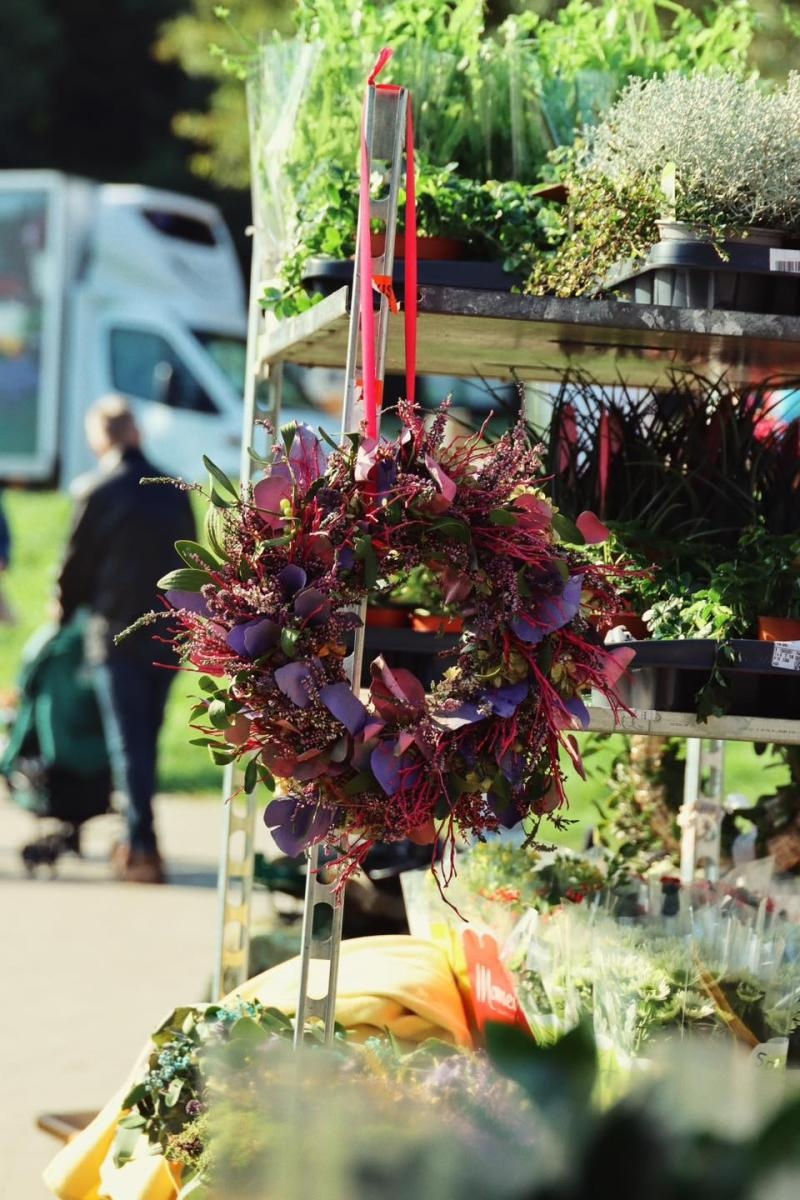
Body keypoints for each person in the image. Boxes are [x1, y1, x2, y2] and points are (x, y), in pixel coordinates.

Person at [57, 396, 195, 883]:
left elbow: (73, 569)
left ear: (101, 438)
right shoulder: (173, 490)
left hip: (113, 634)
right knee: (146, 740)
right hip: (168, 632)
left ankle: (141, 846)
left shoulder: (96, 489)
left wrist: (62, 617)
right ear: (135, 432)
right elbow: (191, 567)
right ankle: (138, 839)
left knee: (126, 743)